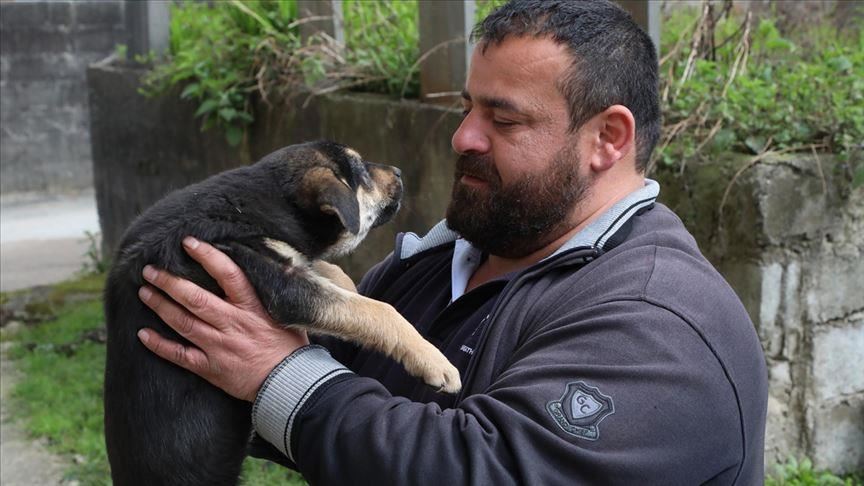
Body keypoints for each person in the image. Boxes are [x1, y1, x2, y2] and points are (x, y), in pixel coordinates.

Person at [135, 1, 769, 484]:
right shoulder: (439, 262)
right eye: (467, 108)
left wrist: (277, 374)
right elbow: (316, 411)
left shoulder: (659, 321)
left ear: (607, 138)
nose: (463, 136)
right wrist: (198, 346)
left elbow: (481, 469)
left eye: (504, 118)